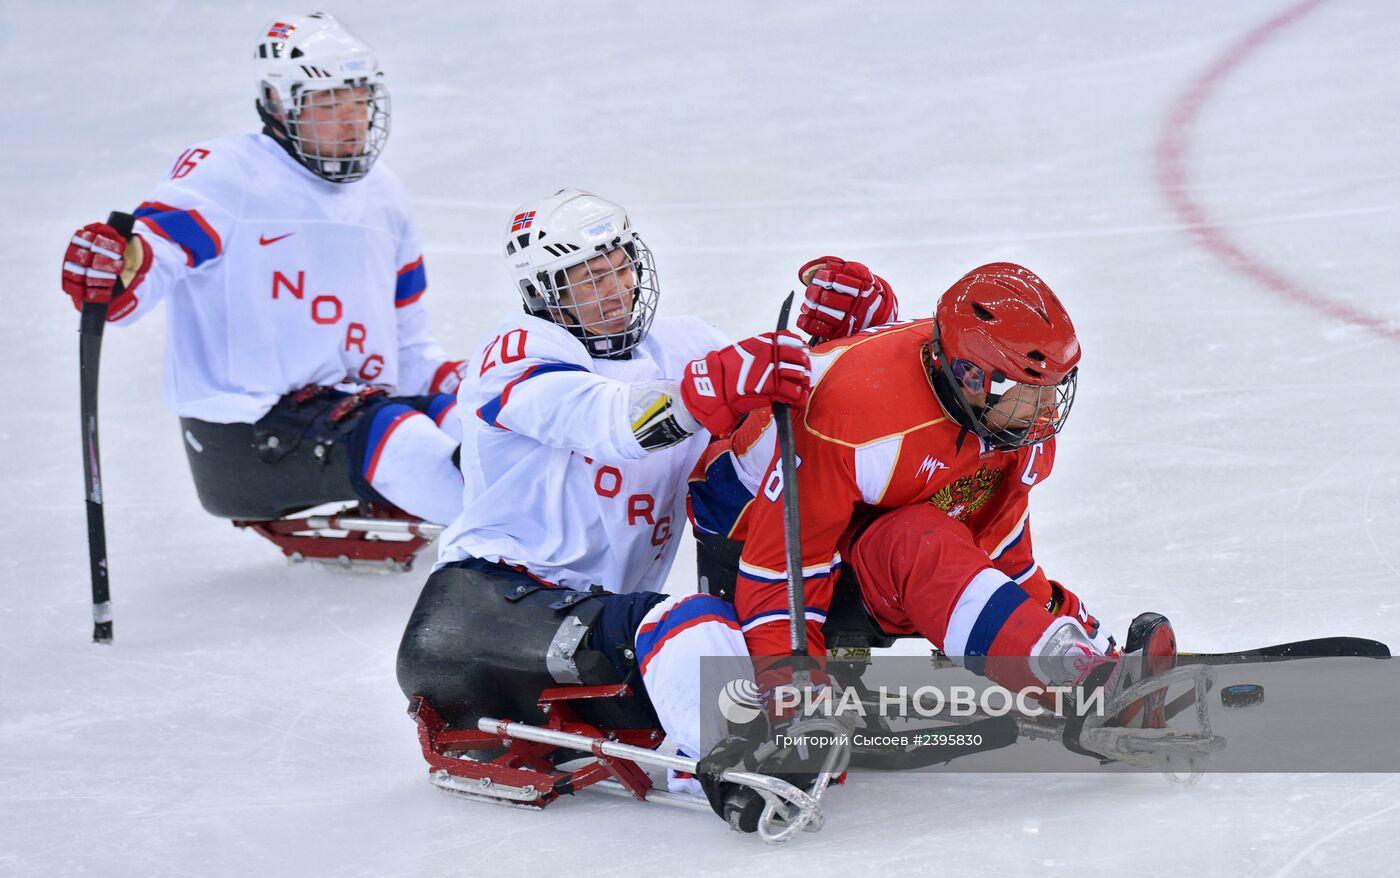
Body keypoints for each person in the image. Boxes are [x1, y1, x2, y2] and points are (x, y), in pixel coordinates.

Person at [395, 192, 896, 799]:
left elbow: (767, 427)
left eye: (619, 265)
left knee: (735, 631)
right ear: (545, 293)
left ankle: (755, 736)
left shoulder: (683, 345)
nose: (613, 287)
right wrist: (713, 389)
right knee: (689, 624)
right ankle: (743, 770)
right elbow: (610, 421)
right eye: (586, 277)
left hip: (596, 624)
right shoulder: (519, 351)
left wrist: (837, 345)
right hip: (478, 617)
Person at [692, 261, 1180, 740]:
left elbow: (1002, 553)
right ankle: (1081, 690)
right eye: (1034, 391)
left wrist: (1084, 636)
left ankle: (1087, 671)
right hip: (749, 535)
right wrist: (797, 702)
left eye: (1057, 387)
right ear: (972, 377)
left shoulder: (1009, 421)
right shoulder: (849, 423)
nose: (1050, 409)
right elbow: (780, 577)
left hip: (863, 517)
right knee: (919, 541)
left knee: (931, 536)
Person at [60, 13, 465, 526]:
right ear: (278, 102)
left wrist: (464, 388)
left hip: (350, 410)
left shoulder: (384, 194)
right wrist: (118, 266)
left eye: (360, 100)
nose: (352, 121)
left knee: (476, 420)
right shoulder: (226, 174)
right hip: (246, 435)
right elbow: (148, 261)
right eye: (329, 102)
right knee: (403, 434)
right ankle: (531, 551)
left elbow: (407, 344)